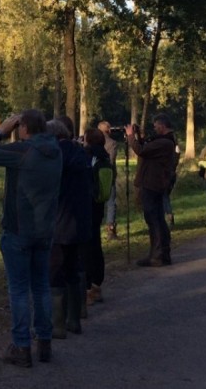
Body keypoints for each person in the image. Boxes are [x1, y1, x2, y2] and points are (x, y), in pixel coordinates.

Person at [0, 109, 62, 367]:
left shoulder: (23, 152)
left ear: (23, 128)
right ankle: (44, 343)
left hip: (19, 229)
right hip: (45, 230)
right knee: (41, 286)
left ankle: (21, 346)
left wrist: (1, 131)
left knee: (20, 290)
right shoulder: (56, 152)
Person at [48, 116, 91, 338]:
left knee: (55, 271)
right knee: (74, 269)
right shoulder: (81, 153)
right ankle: (75, 319)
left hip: (59, 222)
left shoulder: (56, 155)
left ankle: (57, 325)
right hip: (80, 222)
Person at [124, 114, 177, 267]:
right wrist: (139, 136)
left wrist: (130, 137)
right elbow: (147, 148)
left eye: (155, 126)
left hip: (153, 183)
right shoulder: (165, 141)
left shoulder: (165, 142)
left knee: (154, 219)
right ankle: (160, 254)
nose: (154, 128)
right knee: (156, 218)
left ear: (162, 126)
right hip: (154, 183)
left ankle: (158, 255)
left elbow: (141, 150)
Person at [82, 128, 112, 306]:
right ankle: (97, 285)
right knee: (96, 245)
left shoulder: (88, 156)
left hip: (87, 205)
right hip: (99, 204)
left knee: (85, 248)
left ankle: (87, 288)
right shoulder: (105, 157)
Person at [96, 121, 120, 239]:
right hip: (108, 176)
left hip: (94, 176)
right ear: (108, 130)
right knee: (111, 203)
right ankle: (110, 228)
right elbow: (111, 161)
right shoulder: (112, 143)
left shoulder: (91, 142)